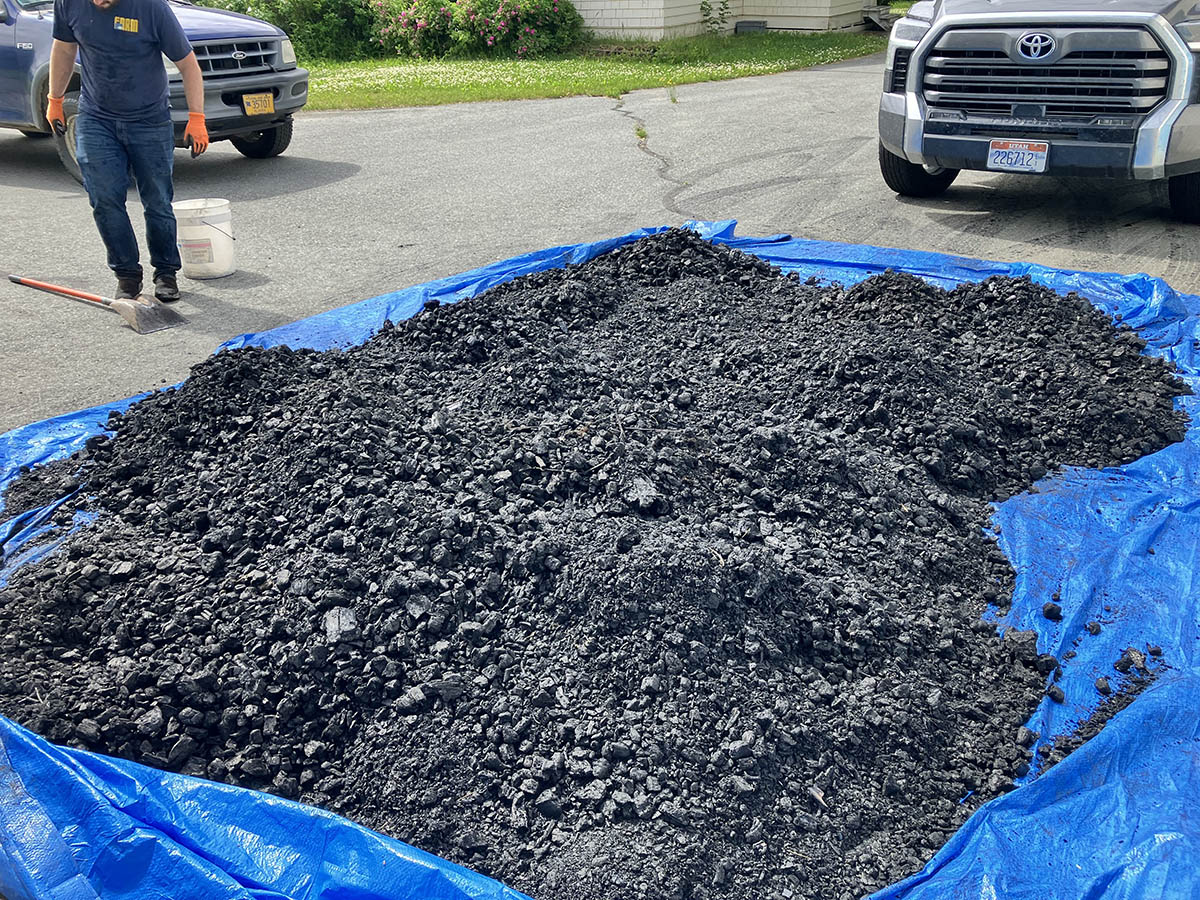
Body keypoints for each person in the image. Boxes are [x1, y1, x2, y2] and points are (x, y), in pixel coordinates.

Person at [47, 0, 209, 302]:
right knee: (104, 198)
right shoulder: (68, 3)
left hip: (149, 119)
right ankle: (127, 275)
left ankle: (165, 272)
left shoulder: (151, 7)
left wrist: (197, 118)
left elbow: (188, 63)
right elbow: (65, 47)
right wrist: (54, 98)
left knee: (157, 199)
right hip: (97, 118)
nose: (101, 2)